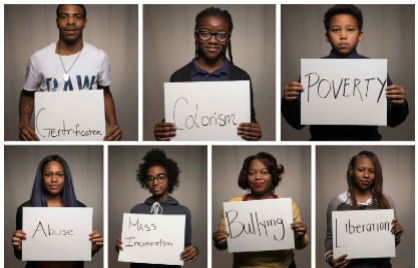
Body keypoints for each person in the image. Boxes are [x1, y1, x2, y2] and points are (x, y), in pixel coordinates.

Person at [282, 4, 408, 141]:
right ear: (327, 36)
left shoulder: (373, 70)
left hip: (366, 140)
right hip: (323, 141)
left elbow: (393, 120)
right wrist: (289, 102)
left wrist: (399, 103)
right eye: (335, 30)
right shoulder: (314, 72)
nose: (343, 36)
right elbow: (297, 123)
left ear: (360, 35)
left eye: (350, 30)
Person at [154, 7, 262, 141]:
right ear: (195, 36)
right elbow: (174, 122)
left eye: (221, 34)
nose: (213, 41)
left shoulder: (241, 77)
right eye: (205, 33)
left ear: (228, 38)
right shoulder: (179, 77)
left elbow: (250, 120)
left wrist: (254, 130)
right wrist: (163, 130)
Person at [19, 4, 122, 141]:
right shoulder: (38, 58)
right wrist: (24, 124)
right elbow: (27, 94)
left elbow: (105, 93)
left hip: (89, 134)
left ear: (84, 22)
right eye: (64, 16)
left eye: (77, 17)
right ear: (57, 22)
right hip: (51, 134)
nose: (71, 22)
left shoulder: (99, 57)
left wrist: (113, 123)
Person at [212, 152, 309, 268]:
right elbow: (222, 245)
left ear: (273, 175)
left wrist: (300, 236)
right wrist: (219, 241)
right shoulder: (234, 205)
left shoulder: (287, 205)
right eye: (251, 173)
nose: (257, 177)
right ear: (246, 177)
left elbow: (301, 245)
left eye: (264, 172)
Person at [12, 154, 103, 268]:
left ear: (66, 178)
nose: (54, 179)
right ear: (41, 178)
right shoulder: (25, 209)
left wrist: (92, 249)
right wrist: (18, 247)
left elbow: (81, 252)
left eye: (59, 174)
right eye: (48, 174)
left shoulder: (80, 209)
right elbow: (20, 255)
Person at [115, 149, 198, 267]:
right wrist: (120, 247)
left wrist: (194, 251)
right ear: (146, 181)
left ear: (169, 179)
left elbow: (187, 247)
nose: (155, 182)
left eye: (161, 177)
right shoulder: (137, 210)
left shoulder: (183, 212)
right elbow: (129, 247)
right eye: (150, 178)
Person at [325, 151, 403, 268]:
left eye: (371, 171)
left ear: (376, 174)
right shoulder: (337, 203)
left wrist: (396, 235)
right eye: (361, 170)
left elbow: (391, 244)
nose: (366, 175)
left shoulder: (386, 201)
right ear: (352, 171)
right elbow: (330, 238)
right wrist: (330, 258)